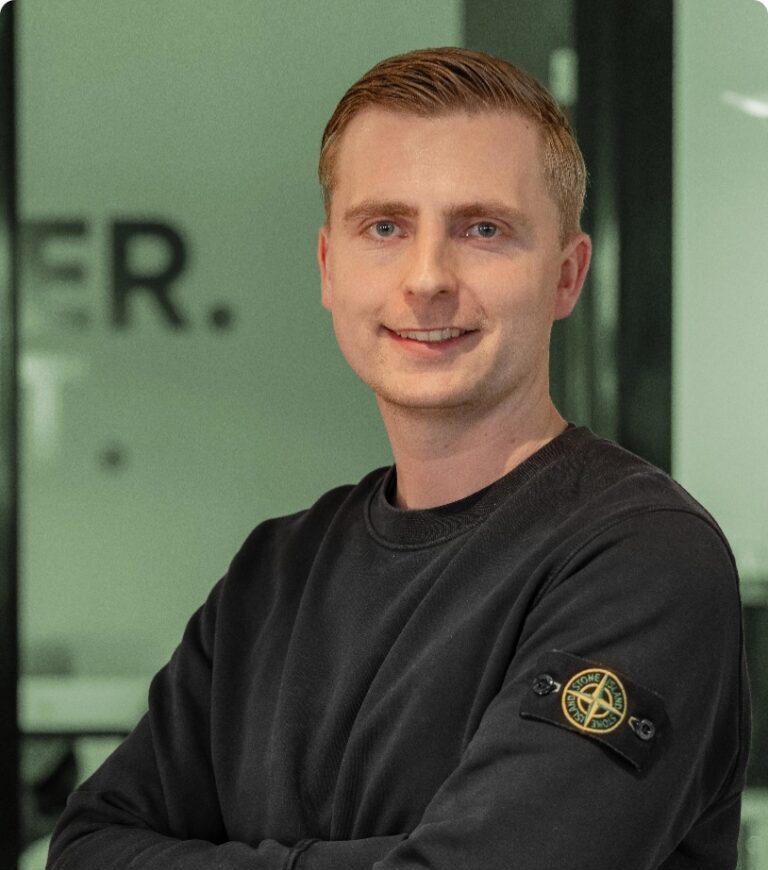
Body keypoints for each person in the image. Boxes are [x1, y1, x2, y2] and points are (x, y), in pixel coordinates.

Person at [47, 47, 750, 870]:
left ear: (566, 277)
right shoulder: (273, 575)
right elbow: (86, 847)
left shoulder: (643, 561)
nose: (426, 279)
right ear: (328, 267)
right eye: (385, 227)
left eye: (482, 229)